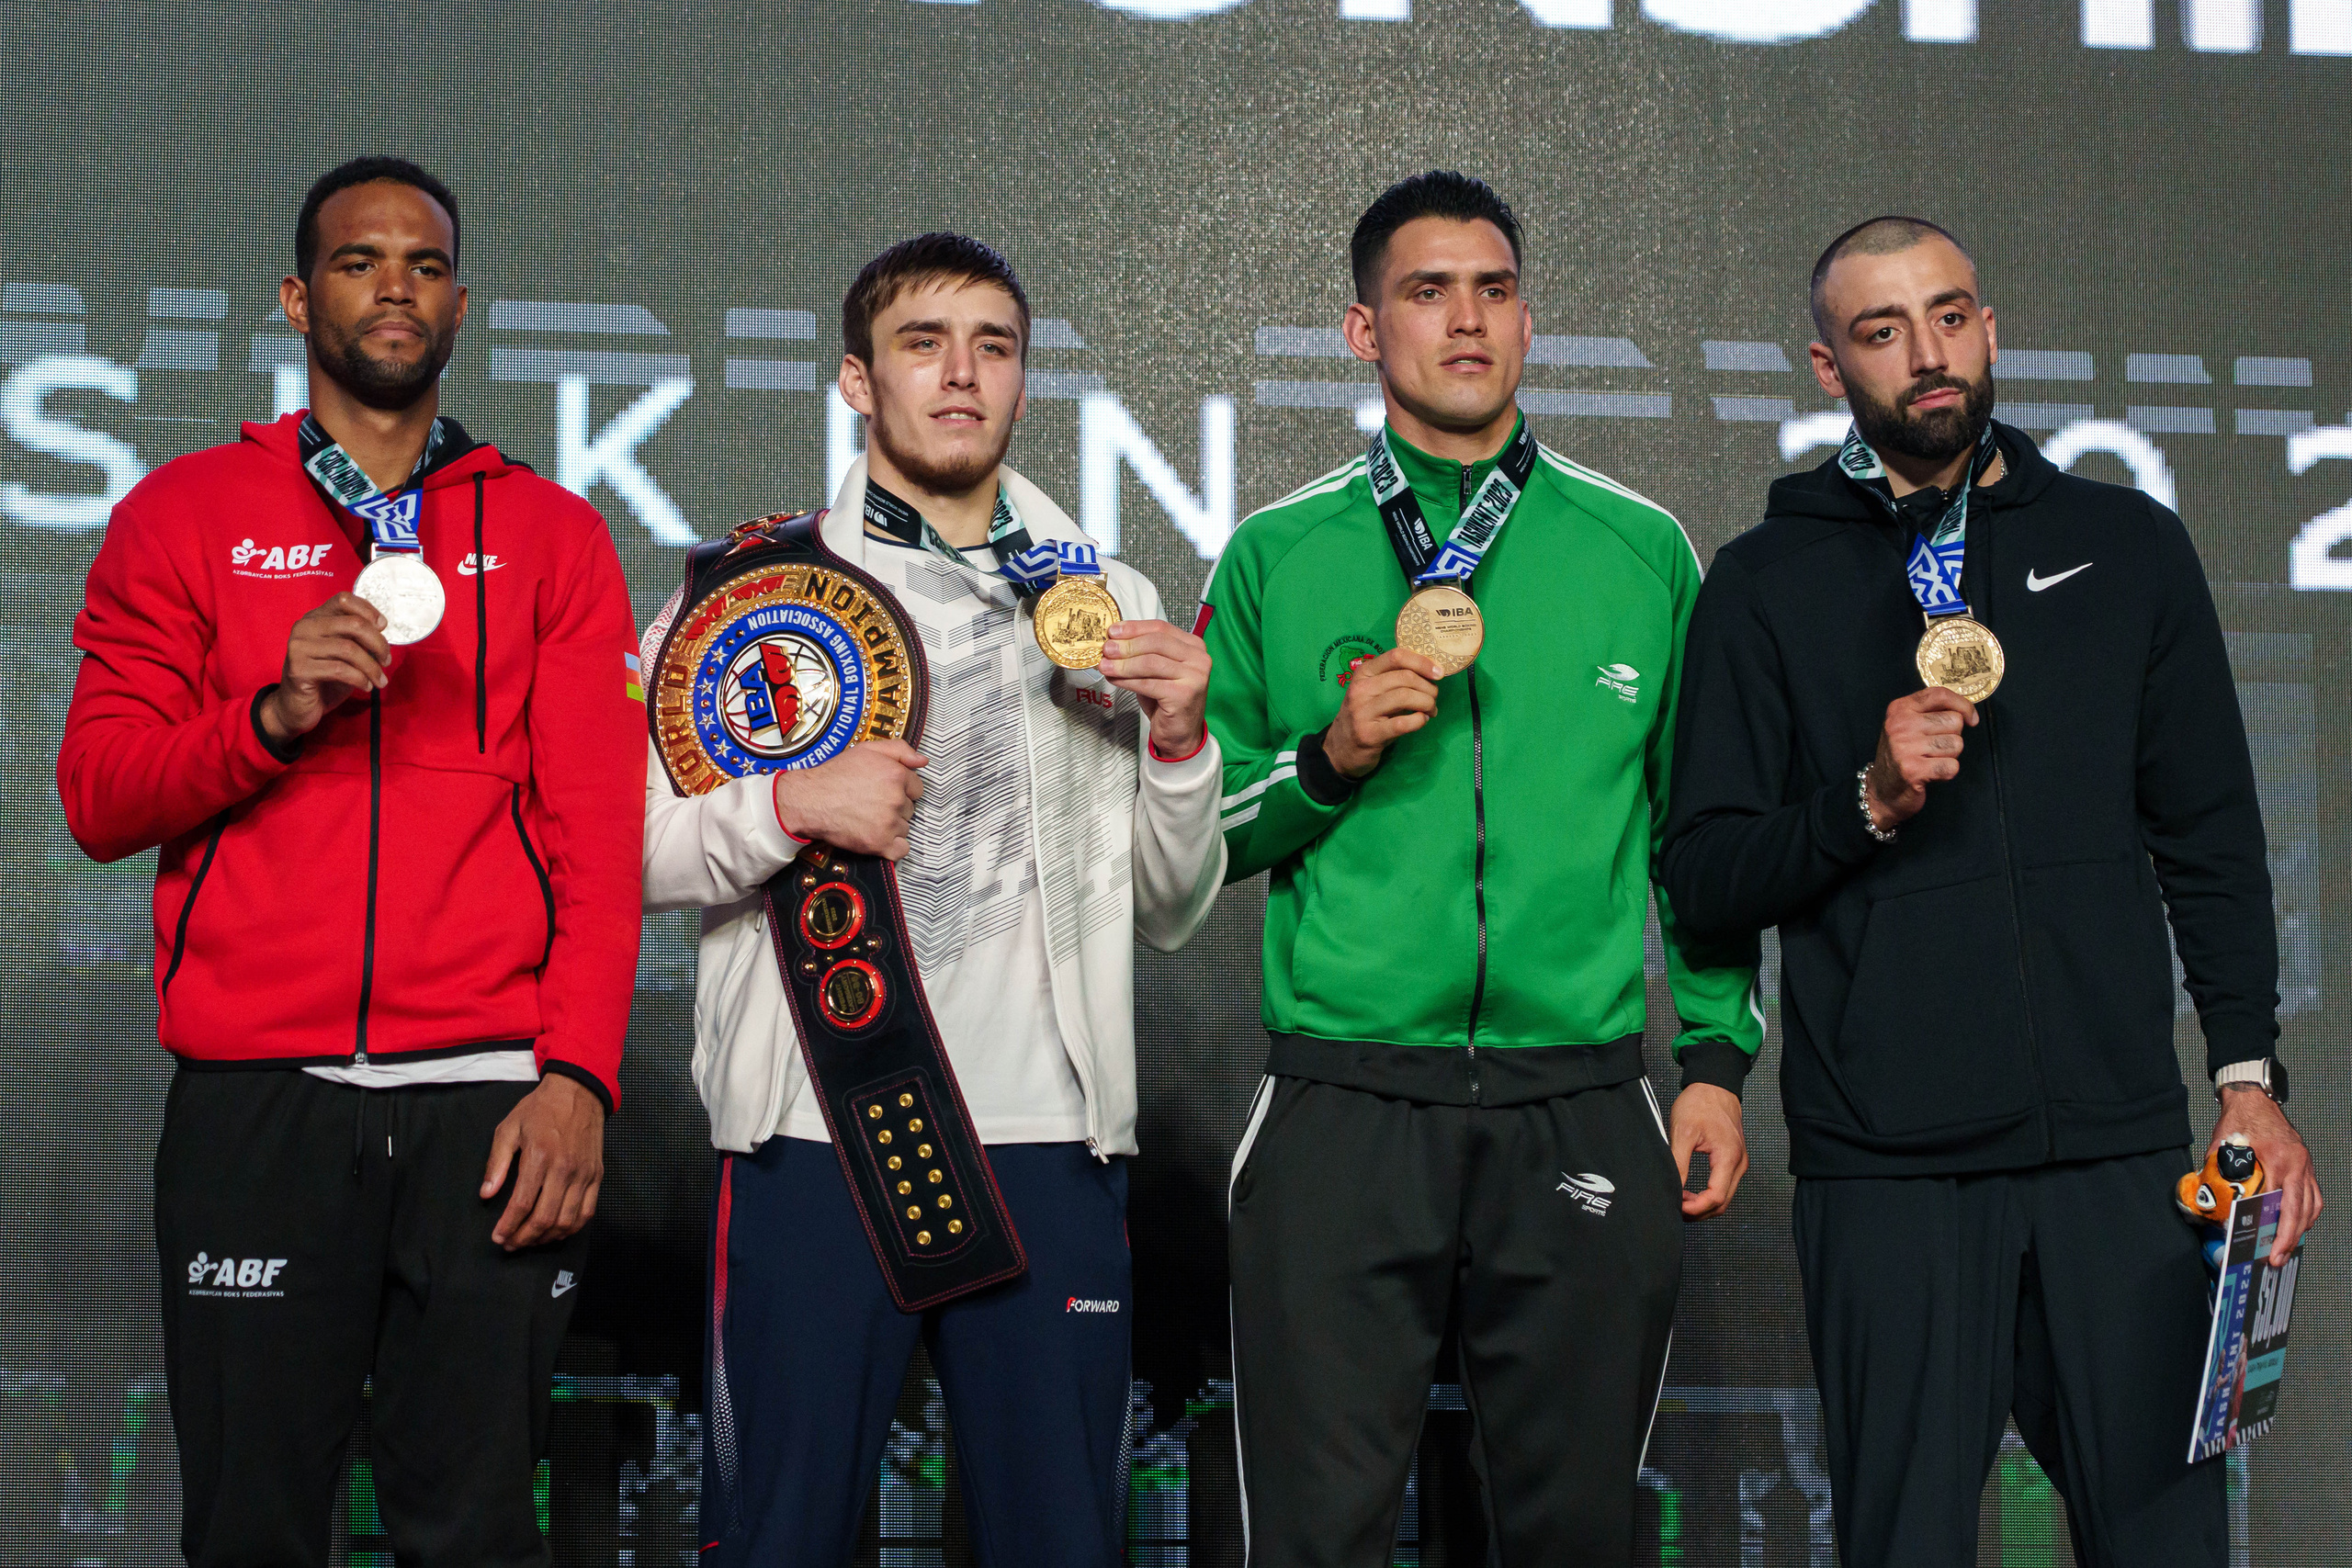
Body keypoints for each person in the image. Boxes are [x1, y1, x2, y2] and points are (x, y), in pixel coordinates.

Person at [1658, 215, 2323, 1568]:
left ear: (1991, 328)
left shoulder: (2127, 546)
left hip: (2116, 1159)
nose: (1930, 354)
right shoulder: (1761, 583)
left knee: (2171, 1547)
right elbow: (1706, 870)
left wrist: (2248, 1076)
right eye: (1884, 330)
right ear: (1827, 365)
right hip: (1890, 1175)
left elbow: (2209, 836)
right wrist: (1864, 803)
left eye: (1951, 316)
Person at [55, 156, 645, 1566]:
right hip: (260, 1104)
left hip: (490, 1107)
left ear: (459, 305)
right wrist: (268, 714)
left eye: (426, 265)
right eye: (360, 261)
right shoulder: (180, 514)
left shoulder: (553, 533)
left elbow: (596, 838)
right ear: (295, 295)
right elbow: (97, 796)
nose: (396, 285)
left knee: (478, 1533)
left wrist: (577, 1079)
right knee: (251, 1532)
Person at [1200, 171, 1761, 1566]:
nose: (1467, 321)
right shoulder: (1278, 549)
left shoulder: (1640, 549)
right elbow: (1192, 835)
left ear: (1527, 321)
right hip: (1343, 1096)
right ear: (1359, 329)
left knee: (1572, 1538)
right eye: (1427, 290)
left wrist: (1710, 1057)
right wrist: (1328, 754)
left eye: (1494, 290)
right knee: (1313, 1539)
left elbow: (1696, 838)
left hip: (1577, 1099)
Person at [639, 232, 1225, 1568]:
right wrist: (788, 807)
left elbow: (1176, 902)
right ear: (859, 379)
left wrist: (1187, 741)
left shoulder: (1107, 600)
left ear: (1022, 385)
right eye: (923, 344)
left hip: (1054, 1142)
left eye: (994, 349)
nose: (961, 377)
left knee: (1059, 1550)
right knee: (777, 1543)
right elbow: (623, 856)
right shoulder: (743, 593)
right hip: (812, 1136)